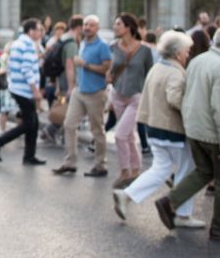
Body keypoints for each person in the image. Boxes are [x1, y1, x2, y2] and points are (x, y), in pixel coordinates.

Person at [154, 26, 220, 242]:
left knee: (204, 171)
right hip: (216, 134)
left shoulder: (198, 61)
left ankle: (170, 201)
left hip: (196, 130)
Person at [112, 30, 205, 228]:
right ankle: (183, 214)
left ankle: (126, 195)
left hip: (154, 127)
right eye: (187, 51)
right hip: (172, 130)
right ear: (178, 52)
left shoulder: (158, 68)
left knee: (160, 169)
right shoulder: (175, 72)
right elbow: (174, 98)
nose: (188, 54)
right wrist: (193, 112)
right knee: (187, 171)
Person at [54, 15, 111, 177]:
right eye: (85, 25)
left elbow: (106, 69)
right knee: (69, 125)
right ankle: (70, 162)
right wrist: (72, 87)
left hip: (96, 93)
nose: (87, 28)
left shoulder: (103, 46)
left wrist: (85, 65)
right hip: (80, 91)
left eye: (91, 25)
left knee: (97, 130)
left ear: (97, 28)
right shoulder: (83, 43)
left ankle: (100, 165)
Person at [0, 18, 46, 165]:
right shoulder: (27, 45)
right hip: (24, 90)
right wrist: (35, 91)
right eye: (39, 29)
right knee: (29, 123)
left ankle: (29, 156)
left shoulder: (18, 43)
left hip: (17, 87)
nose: (41, 32)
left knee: (33, 123)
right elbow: (27, 70)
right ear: (31, 31)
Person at [108, 13, 155, 189]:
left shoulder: (145, 51)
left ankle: (124, 171)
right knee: (128, 134)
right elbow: (110, 71)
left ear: (128, 27)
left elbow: (150, 75)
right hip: (118, 95)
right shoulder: (113, 47)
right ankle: (136, 169)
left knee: (120, 134)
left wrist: (149, 100)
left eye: (118, 24)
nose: (115, 27)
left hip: (136, 97)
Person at [41, 16, 82, 145]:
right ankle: (59, 134)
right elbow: (69, 66)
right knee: (70, 110)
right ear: (79, 27)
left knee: (65, 107)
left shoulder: (62, 39)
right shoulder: (71, 43)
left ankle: (52, 131)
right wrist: (71, 87)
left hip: (62, 81)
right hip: (69, 82)